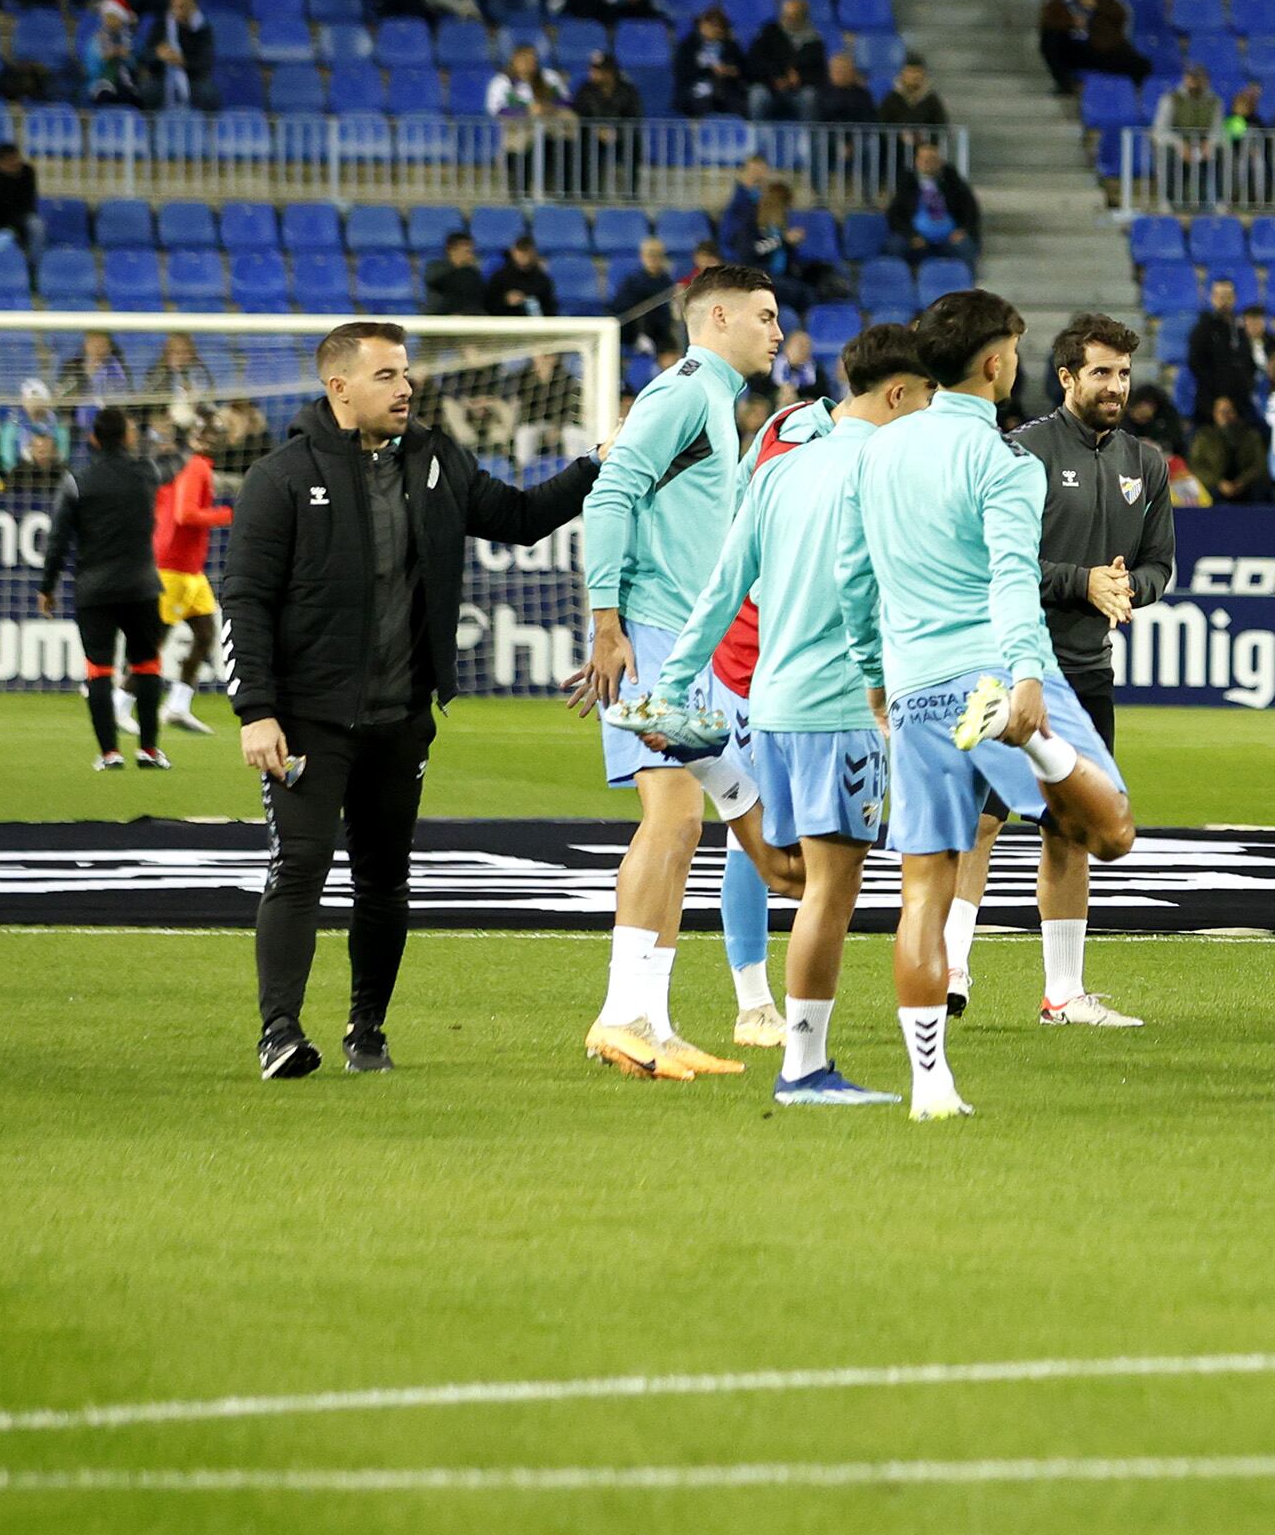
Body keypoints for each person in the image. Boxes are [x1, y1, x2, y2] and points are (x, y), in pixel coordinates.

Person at [233, 323, 600, 1078]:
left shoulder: (438, 460)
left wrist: (597, 466)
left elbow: (524, 519)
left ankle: (367, 1027)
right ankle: (279, 1031)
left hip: (402, 719)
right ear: (339, 387)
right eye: (386, 375)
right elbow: (245, 600)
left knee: (384, 877)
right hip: (307, 719)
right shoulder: (280, 477)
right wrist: (255, 711)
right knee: (299, 865)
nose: (405, 387)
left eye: (406, 373)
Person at [621, 327, 936, 1107]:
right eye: (926, 399)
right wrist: (878, 684)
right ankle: (805, 1066)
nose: (928, 416)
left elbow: (725, 583)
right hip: (840, 706)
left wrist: (679, 682)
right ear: (897, 392)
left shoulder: (782, 466)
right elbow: (869, 591)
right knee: (832, 887)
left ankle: (722, 775)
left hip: (772, 700)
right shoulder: (883, 470)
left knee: (796, 876)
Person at [858, 292, 1142, 1121]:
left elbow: (856, 576)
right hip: (991, 672)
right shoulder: (1003, 462)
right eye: (1014, 349)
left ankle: (930, 1085)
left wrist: (875, 675)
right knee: (1111, 828)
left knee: (924, 888)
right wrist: (1026, 683)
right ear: (995, 363)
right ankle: (1049, 760)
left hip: (913, 687)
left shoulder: (879, 450)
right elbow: (1012, 579)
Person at [570, 264, 805, 1078]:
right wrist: (608, 625)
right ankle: (621, 1013)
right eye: (765, 315)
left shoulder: (708, 401)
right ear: (718, 315)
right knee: (670, 818)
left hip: (676, 638)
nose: (777, 331)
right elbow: (608, 497)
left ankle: (653, 1021)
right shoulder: (683, 392)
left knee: (684, 824)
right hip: (652, 635)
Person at [964, 316, 1178, 1029]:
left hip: (1088, 671)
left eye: (1123, 373)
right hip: (1014, 665)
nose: (1117, 386)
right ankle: (952, 967)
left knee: (1071, 832)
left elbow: (1158, 564)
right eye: (1101, 373)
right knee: (980, 822)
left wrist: (1126, 589)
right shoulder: (1021, 452)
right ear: (1065, 377)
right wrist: (1078, 581)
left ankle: (1063, 994)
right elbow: (1004, 561)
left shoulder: (1144, 463)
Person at [38, 405, 172, 772]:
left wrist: (47, 587)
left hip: (94, 589)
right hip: (142, 586)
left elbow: (58, 541)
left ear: (93, 438)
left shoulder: (76, 482)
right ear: (128, 436)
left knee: (99, 669)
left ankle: (110, 753)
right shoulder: (147, 473)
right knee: (147, 665)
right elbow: (169, 468)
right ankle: (148, 750)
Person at [149, 430, 230, 740]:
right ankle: (118, 702)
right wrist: (227, 514)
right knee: (156, 639)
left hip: (190, 570)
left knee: (206, 634)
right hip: (175, 568)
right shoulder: (195, 467)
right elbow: (185, 514)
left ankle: (177, 706)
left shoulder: (187, 467)